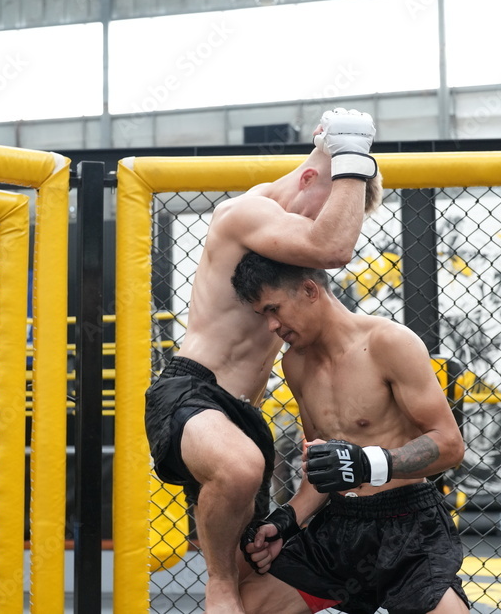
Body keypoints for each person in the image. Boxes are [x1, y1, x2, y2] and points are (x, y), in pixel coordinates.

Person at [144, 108, 383, 613]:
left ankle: (235, 590)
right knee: (239, 468)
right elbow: (335, 246)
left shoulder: (292, 252)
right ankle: (216, 582)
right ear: (312, 177)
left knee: (259, 581)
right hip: (192, 392)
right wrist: (353, 154)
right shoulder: (243, 214)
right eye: (328, 207)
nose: (326, 221)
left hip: (243, 415)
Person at [231, 252, 470, 614]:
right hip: (339, 526)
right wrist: (287, 519)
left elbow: (450, 446)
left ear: (310, 290)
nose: (271, 326)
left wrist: (367, 462)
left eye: (274, 309)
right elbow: (324, 468)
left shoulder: (389, 343)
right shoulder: (294, 363)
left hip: (407, 527)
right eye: (263, 314)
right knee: (252, 604)